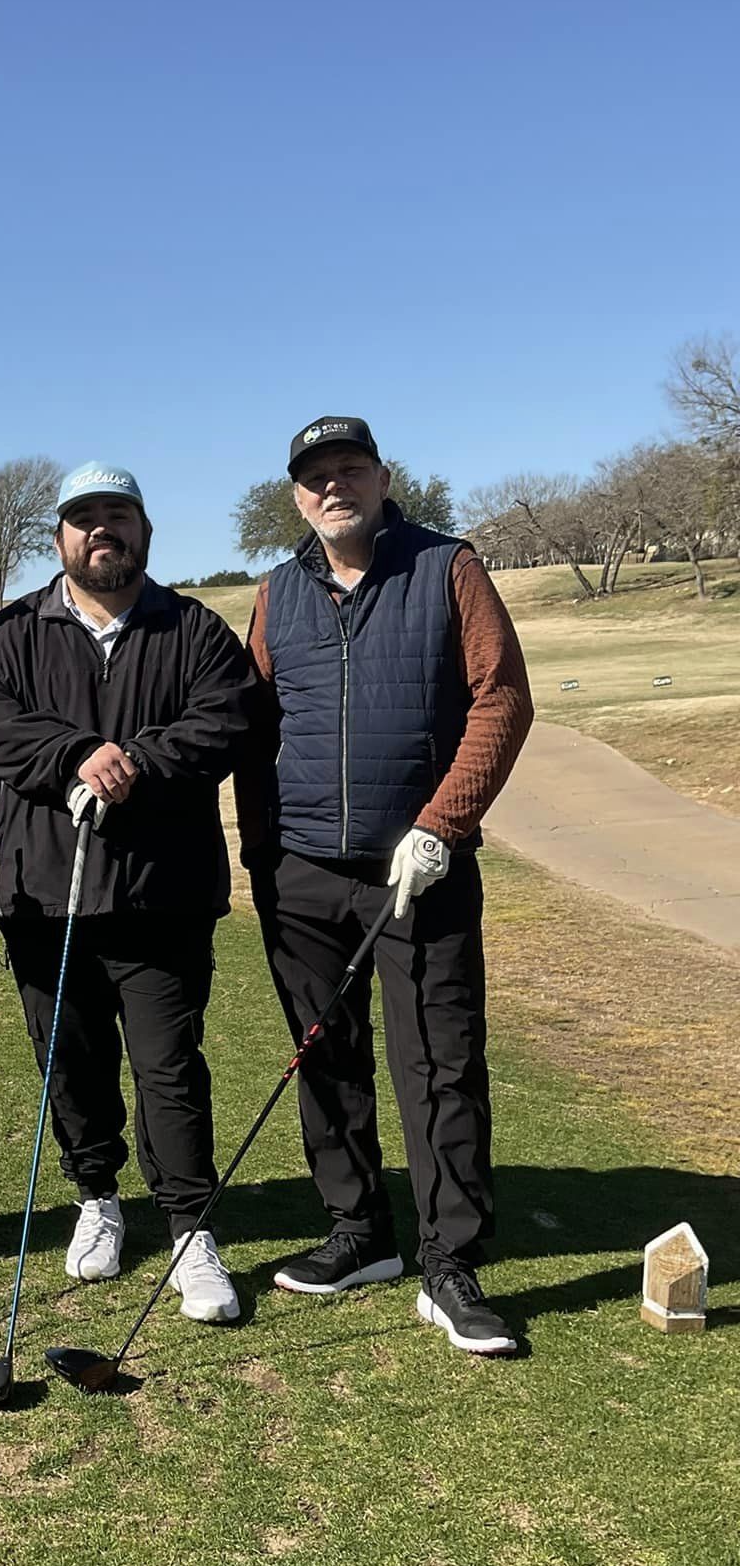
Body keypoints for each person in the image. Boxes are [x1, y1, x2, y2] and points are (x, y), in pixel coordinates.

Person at [237, 415, 533, 1355]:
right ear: (297, 496)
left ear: (382, 477)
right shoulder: (278, 592)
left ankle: (450, 1262)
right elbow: (254, 726)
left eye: (350, 469)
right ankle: (359, 1232)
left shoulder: (447, 567)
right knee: (324, 1058)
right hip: (302, 872)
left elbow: (502, 697)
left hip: (419, 869)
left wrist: (442, 823)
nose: (334, 486)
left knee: (439, 1063)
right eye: (316, 476)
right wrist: (262, 850)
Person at [0, 462, 259, 1321]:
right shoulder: (11, 635)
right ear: (59, 537)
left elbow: (225, 721)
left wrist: (134, 763)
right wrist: (74, 756)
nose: (102, 531)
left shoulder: (193, 629)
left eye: (117, 516)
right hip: (43, 896)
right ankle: (97, 1198)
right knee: (71, 1062)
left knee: (170, 1067)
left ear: (144, 531)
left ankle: (190, 1229)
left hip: (161, 895)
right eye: (84, 518)